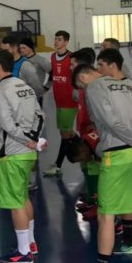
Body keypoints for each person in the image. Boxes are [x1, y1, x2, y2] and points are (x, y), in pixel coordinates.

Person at [72, 59, 132, 263]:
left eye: (80, 87)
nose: (83, 91)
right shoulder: (129, 83)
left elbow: (108, 119)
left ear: (83, 78)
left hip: (117, 155)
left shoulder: (93, 87)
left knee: (106, 216)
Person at [0, 50, 46, 263]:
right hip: (28, 154)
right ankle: (31, 243)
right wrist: (34, 139)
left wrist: (27, 140)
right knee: (23, 197)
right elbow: (41, 116)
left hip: (12, 154)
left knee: (15, 203)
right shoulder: (26, 87)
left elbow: (7, 125)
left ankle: (23, 253)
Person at [69, 48, 100, 221]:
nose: (70, 67)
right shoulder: (82, 88)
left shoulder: (91, 89)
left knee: (95, 168)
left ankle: (97, 203)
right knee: (87, 167)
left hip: (91, 132)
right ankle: (91, 198)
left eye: (73, 65)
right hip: (84, 130)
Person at [44, 30, 78, 177]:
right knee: (66, 132)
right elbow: (53, 77)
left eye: (59, 39)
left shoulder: (71, 58)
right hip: (58, 101)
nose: (56, 41)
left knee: (64, 134)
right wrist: (44, 88)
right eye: (55, 38)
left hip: (69, 102)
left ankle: (58, 165)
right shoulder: (53, 57)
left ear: (66, 42)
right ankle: (86, 145)